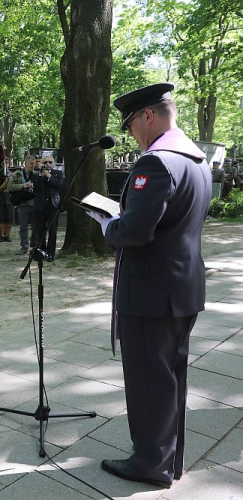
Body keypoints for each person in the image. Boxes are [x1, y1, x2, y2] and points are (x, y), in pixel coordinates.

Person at [87, 82, 211, 489]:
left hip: (150, 291)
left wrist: (109, 225)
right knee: (169, 377)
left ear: (149, 116)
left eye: (131, 125)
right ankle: (169, 459)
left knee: (147, 379)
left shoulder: (157, 163)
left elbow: (137, 231)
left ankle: (150, 464)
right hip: (181, 286)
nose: (131, 135)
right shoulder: (195, 159)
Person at [31, 155, 64, 261]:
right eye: (45, 162)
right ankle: (41, 251)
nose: (48, 164)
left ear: (53, 164)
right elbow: (35, 188)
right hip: (40, 205)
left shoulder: (57, 174)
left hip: (53, 205)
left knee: (53, 230)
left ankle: (50, 253)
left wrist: (49, 176)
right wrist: (40, 174)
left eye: (50, 162)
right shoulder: (37, 174)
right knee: (39, 230)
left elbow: (59, 185)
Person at [8, 155, 36, 254]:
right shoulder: (17, 174)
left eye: (34, 163)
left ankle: (35, 246)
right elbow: (10, 187)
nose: (33, 165)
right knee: (23, 227)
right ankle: (24, 247)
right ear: (25, 164)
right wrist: (23, 186)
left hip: (34, 204)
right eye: (31, 164)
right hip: (22, 204)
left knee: (36, 226)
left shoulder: (37, 174)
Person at [0, 158, 14, 242]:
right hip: (0, 196)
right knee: (1, 217)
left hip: (9, 197)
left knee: (9, 217)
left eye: (7, 162)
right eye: (4, 162)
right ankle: (2, 235)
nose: (5, 164)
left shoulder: (12, 174)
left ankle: (7, 235)